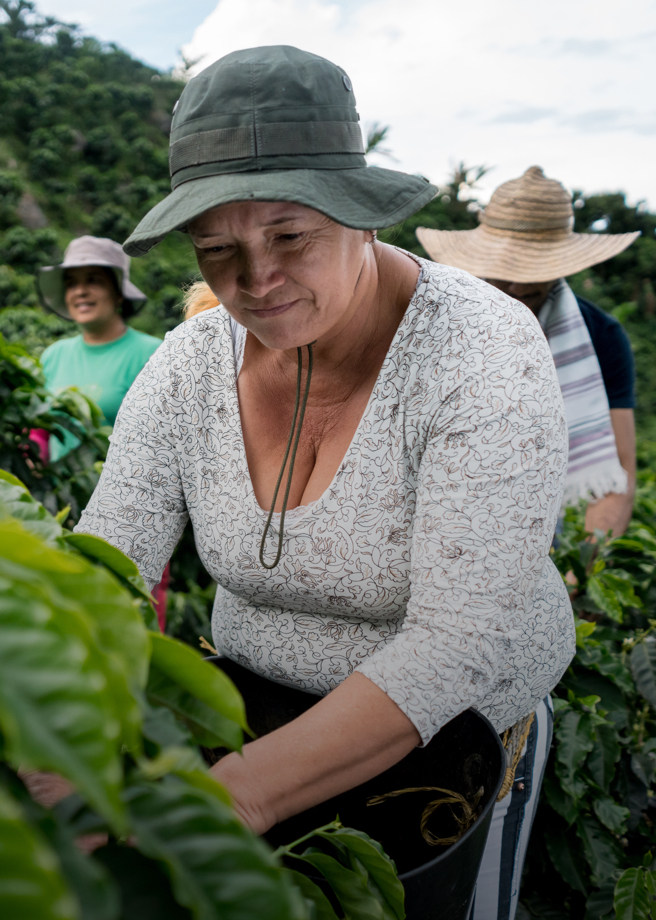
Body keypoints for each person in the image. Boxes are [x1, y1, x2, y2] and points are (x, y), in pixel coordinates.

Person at [73, 46, 575, 920]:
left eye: (291, 238)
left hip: (449, 752)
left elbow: (456, 644)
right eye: (217, 249)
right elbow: (110, 553)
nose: (256, 282)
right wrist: (60, 734)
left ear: (360, 216)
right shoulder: (194, 362)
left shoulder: (479, 355)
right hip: (249, 722)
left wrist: (228, 802)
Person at [417, 166, 639, 538]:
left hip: (544, 529)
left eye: (535, 270)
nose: (519, 284)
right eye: (505, 269)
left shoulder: (601, 336)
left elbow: (618, 468)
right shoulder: (439, 319)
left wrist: (577, 571)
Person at [36, 236, 168, 627]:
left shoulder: (152, 352)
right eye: (73, 282)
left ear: (117, 291)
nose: (80, 290)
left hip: (132, 511)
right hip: (58, 509)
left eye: (93, 279)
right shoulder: (53, 355)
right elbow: (39, 434)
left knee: (131, 613)